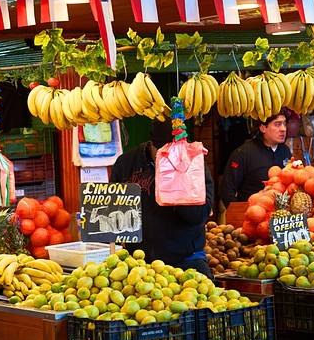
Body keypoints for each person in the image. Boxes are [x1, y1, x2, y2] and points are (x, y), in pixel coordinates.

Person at [110, 119, 214, 278]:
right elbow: (113, 214)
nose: (171, 157)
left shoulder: (192, 162)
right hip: (140, 264)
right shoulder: (126, 164)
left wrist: (179, 182)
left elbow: (199, 216)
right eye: (165, 152)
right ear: (152, 144)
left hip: (187, 260)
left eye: (176, 151)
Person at [219, 113, 291, 206]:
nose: (283, 129)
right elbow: (227, 189)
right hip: (253, 214)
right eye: (277, 124)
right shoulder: (243, 153)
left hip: (280, 216)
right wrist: (238, 213)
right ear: (263, 128)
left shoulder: (285, 151)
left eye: (284, 124)